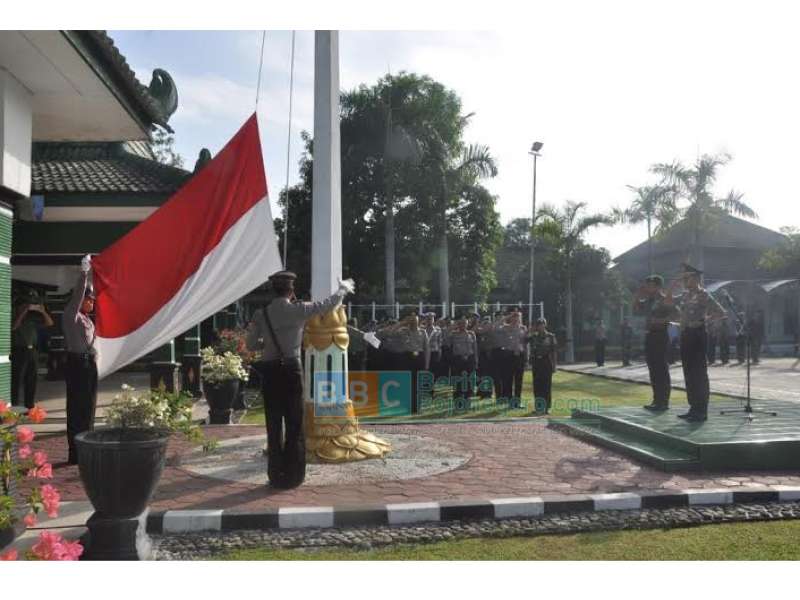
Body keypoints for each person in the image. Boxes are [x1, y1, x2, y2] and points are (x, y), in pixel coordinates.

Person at [245, 271, 354, 488]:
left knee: (274, 423)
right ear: (291, 290)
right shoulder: (299, 310)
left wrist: (265, 345)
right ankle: (294, 475)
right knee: (295, 422)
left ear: (272, 290)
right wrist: (342, 290)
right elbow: (327, 305)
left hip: (270, 370)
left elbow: (250, 345)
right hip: (292, 369)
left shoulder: (261, 314)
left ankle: (275, 475)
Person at [669, 263, 726, 422]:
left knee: (699, 373)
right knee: (688, 372)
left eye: (686, 278)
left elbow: (721, 313)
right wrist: (674, 283)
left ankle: (702, 410)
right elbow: (669, 301)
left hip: (698, 334)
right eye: (684, 278)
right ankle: (693, 407)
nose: (684, 281)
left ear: (694, 278)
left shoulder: (704, 294)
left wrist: (703, 321)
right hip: (686, 335)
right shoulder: (686, 295)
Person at [63, 255, 98, 465]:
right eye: (89, 299)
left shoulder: (87, 320)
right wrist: (84, 273)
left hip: (89, 365)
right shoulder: (71, 315)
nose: (92, 302)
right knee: (76, 409)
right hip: (77, 364)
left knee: (89, 408)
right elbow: (77, 297)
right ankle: (75, 452)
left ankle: (87, 446)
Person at [633, 274, 679, 412]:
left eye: (651, 285)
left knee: (661, 369)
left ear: (658, 286)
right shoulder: (648, 300)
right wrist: (637, 294)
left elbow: (677, 315)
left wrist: (662, 321)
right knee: (653, 368)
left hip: (661, 335)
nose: (648, 287)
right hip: (650, 335)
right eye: (647, 285)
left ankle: (663, 401)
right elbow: (635, 308)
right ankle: (656, 400)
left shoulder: (665, 299)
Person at [11, 290, 54, 409]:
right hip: (19, 350)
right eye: (28, 302)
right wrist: (23, 311)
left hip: (33, 351)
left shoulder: (34, 317)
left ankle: (29, 406)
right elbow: (14, 327)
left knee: (31, 379)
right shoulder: (15, 313)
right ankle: (14, 406)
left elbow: (50, 323)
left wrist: (42, 311)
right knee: (17, 379)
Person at [494, 309, 527, 407]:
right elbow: (495, 327)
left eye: (518, 317)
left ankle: (517, 401)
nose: (516, 319)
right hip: (508, 356)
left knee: (519, 380)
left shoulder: (523, 328)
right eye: (514, 316)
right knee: (507, 379)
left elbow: (524, 343)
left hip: (519, 356)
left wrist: (526, 356)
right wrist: (506, 317)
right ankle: (509, 401)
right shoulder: (506, 327)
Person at [528, 317, 557, 414]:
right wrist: (530, 330)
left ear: (545, 325)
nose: (541, 326)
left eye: (542, 324)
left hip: (546, 362)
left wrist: (554, 365)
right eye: (539, 324)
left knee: (547, 385)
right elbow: (524, 340)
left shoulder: (551, 336)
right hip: (537, 362)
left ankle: (547, 407)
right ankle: (539, 407)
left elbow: (554, 352)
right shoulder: (534, 336)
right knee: (537, 385)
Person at [449, 317, 478, 406]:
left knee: (469, 380)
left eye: (464, 323)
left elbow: (475, 348)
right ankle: (458, 400)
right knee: (458, 380)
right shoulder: (453, 334)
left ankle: (467, 399)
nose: (463, 325)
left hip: (469, 359)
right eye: (461, 323)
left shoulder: (471, 334)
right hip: (458, 359)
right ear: (458, 324)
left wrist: (476, 360)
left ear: (467, 324)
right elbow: (447, 342)